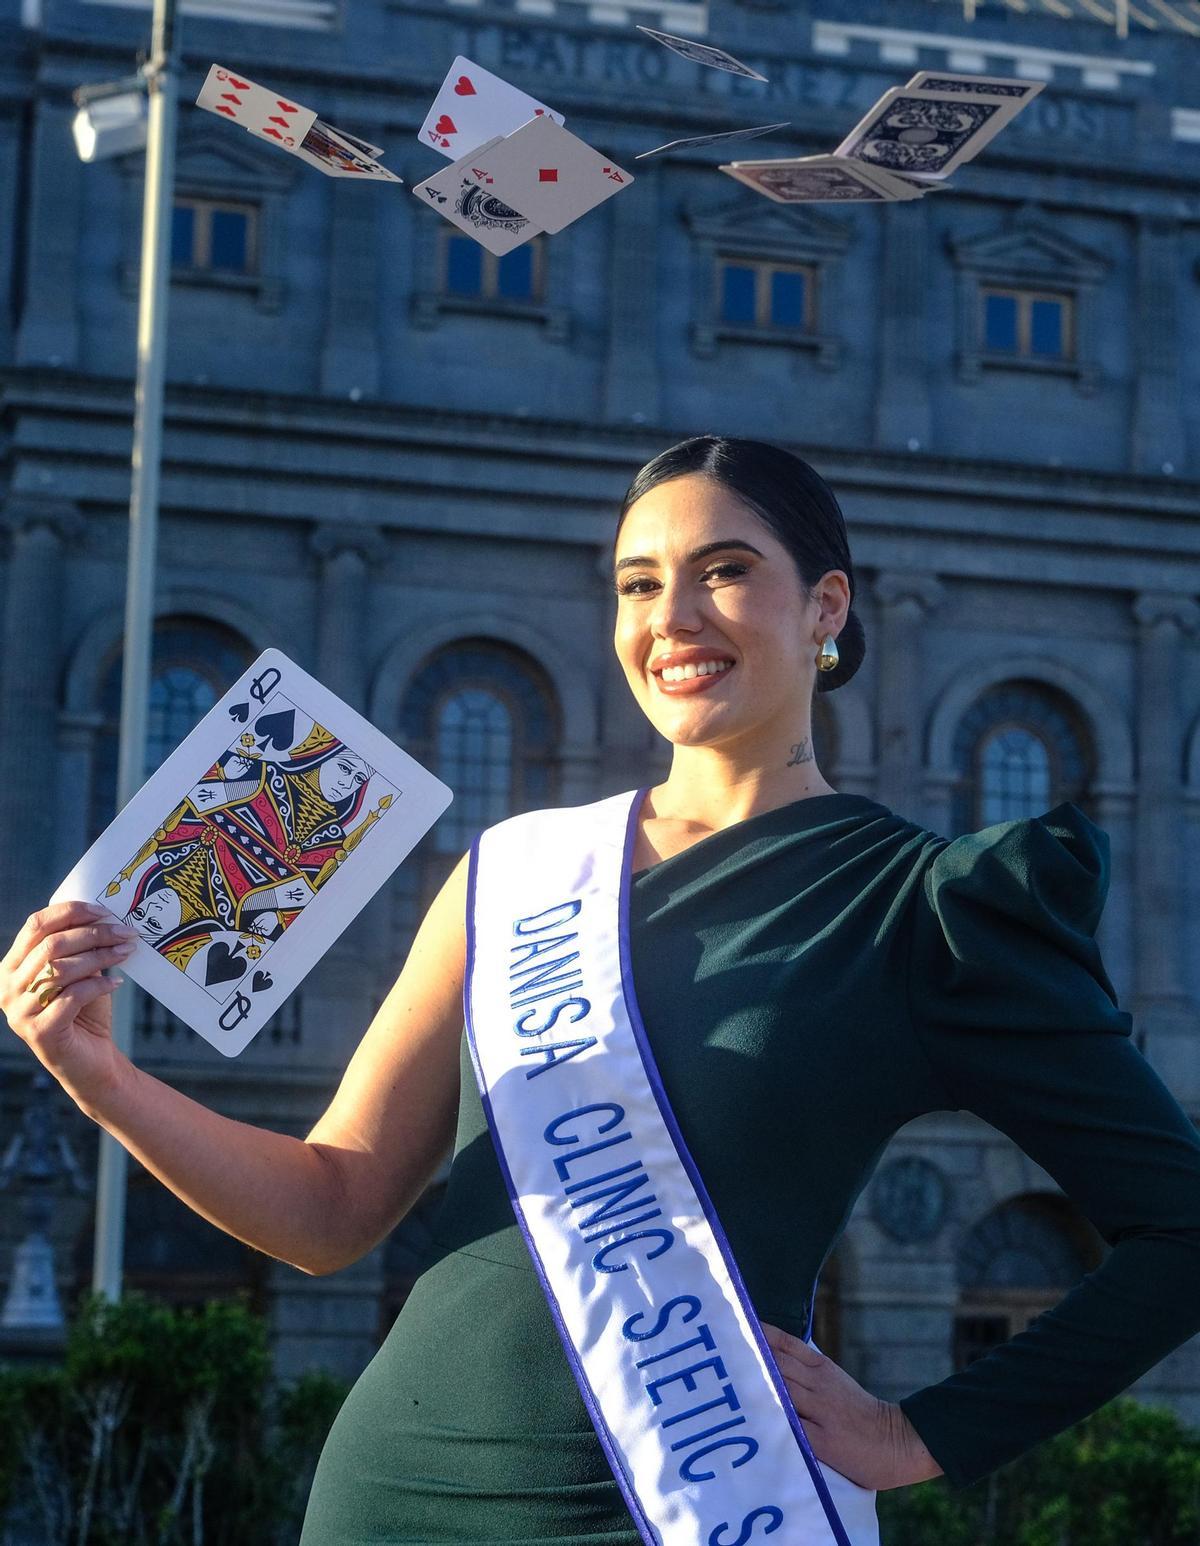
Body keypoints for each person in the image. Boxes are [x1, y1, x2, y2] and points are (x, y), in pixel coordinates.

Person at [5, 434, 1200, 1544]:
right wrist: (97, 1071)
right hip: (393, 1495)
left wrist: (920, 1435)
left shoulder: (927, 910)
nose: (672, 617)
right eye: (638, 583)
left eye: (725, 571)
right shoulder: (514, 867)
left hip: (677, 1503)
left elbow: (1181, 1230)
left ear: (827, 606)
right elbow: (331, 1208)